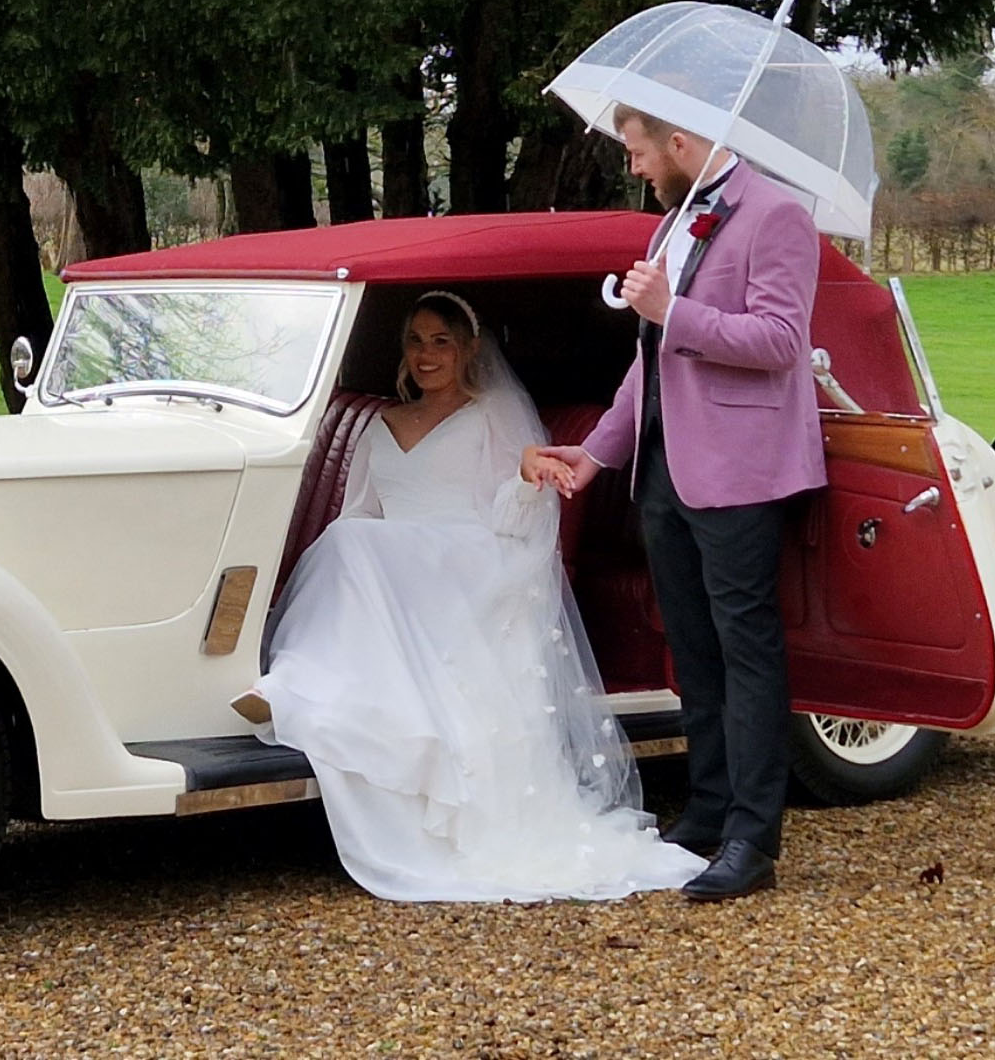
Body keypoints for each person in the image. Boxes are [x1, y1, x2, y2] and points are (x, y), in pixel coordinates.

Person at [231, 291, 705, 902]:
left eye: (441, 342)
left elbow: (512, 522)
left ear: (468, 349)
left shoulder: (491, 414)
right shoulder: (383, 423)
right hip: (395, 558)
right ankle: (294, 690)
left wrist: (527, 475)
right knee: (346, 542)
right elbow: (362, 512)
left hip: (471, 555)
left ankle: (301, 693)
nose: (426, 355)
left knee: (354, 546)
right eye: (415, 341)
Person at [527, 105, 826, 902]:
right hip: (661, 472)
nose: (634, 167)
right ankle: (707, 809)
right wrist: (596, 453)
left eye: (638, 151)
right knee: (691, 649)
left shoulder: (778, 215)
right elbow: (649, 361)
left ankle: (752, 839)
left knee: (745, 651)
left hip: (739, 472)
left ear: (681, 143)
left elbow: (780, 342)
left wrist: (674, 313)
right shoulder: (675, 223)